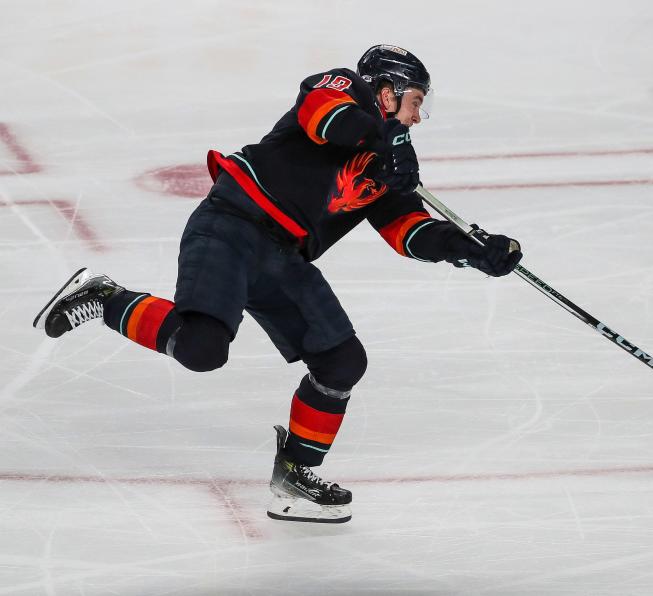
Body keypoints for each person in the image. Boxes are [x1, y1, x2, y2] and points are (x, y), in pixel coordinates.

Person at [32, 44, 522, 524]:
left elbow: (407, 230)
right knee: (202, 349)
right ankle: (105, 298)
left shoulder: (385, 167)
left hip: (283, 258)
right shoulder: (344, 88)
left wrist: (471, 250)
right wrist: (382, 138)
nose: (418, 118)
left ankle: (295, 476)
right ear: (386, 90)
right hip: (231, 225)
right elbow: (324, 117)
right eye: (416, 102)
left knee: (341, 360)